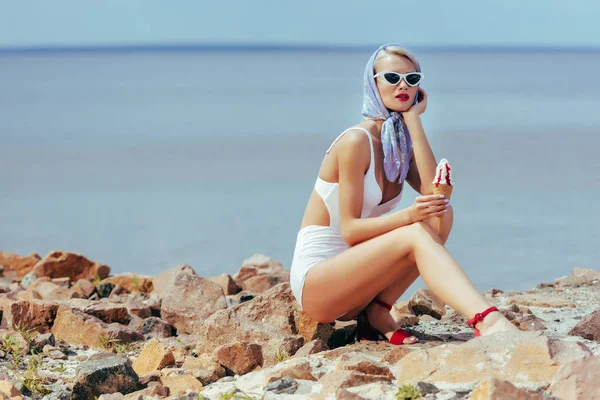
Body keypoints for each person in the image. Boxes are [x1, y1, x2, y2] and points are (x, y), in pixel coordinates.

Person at [289, 43, 519, 345]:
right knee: (414, 232)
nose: (403, 85)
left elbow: (434, 191)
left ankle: (377, 314)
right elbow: (351, 231)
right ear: (373, 84)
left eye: (412, 80)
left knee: (441, 214)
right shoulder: (355, 142)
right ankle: (486, 319)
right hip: (320, 286)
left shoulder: (398, 144)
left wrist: (414, 121)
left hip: (360, 285)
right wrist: (409, 216)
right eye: (392, 77)